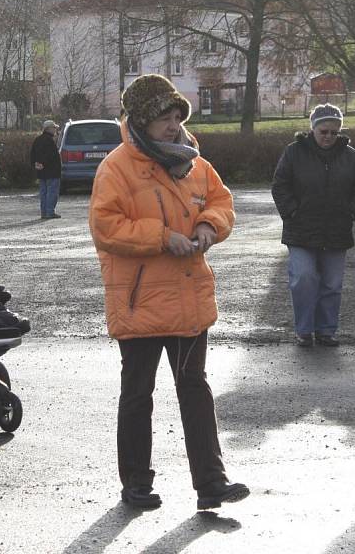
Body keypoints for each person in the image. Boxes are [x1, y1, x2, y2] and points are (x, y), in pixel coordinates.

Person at [89, 73, 249, 511]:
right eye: (164, 116)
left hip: (188, 296)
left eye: (177, 115)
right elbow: (105, 227)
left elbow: (222, 203)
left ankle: (211, 484)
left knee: (194, 388)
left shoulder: (195, 162)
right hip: (139, 300)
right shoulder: (116, 167)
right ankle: (137, 484)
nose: (173, 124)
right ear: (142, 119)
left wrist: (206, 226)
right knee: (139, 393)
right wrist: (161, 236)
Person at [271, 104, 355, 347]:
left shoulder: (349, 156)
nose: (328, 137)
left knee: (332, 284)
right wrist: (292, 211)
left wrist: (352, 210)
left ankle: (326, 330)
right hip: (301, 230)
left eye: (334, 132)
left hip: (336, 230)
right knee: (303, 278)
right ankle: (304, 329)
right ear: (312, 129)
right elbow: (280, 185)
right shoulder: (294, 153)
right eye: (323, 131)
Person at [30, 119, 61, 219]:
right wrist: (43, 163)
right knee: (52, 192)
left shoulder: (37, 140)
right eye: (54, 128)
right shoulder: (50, 141)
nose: (55, 130)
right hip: (52, 171)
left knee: (43, 193)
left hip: (41, 172)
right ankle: (50, 212)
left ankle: (44, 212)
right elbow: (51, 156)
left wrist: (36, 164)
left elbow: (32, 154)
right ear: (49, 129)